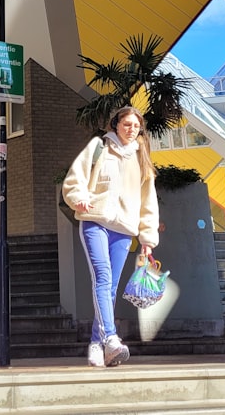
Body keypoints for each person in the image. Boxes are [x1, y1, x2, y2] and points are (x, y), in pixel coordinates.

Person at [62, 106, 160, 368]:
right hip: (95, 220)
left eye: (136, 126)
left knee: (110, 288)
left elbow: (148, 201)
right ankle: (111, 338)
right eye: (126, 124)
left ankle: (97, 342)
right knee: (103, 278)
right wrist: (78, 198)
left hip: (124, 228)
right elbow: (75, 179)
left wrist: (147, 237)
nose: (131, 129)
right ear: (116, 125)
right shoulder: (99, 147)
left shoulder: (142, 157)